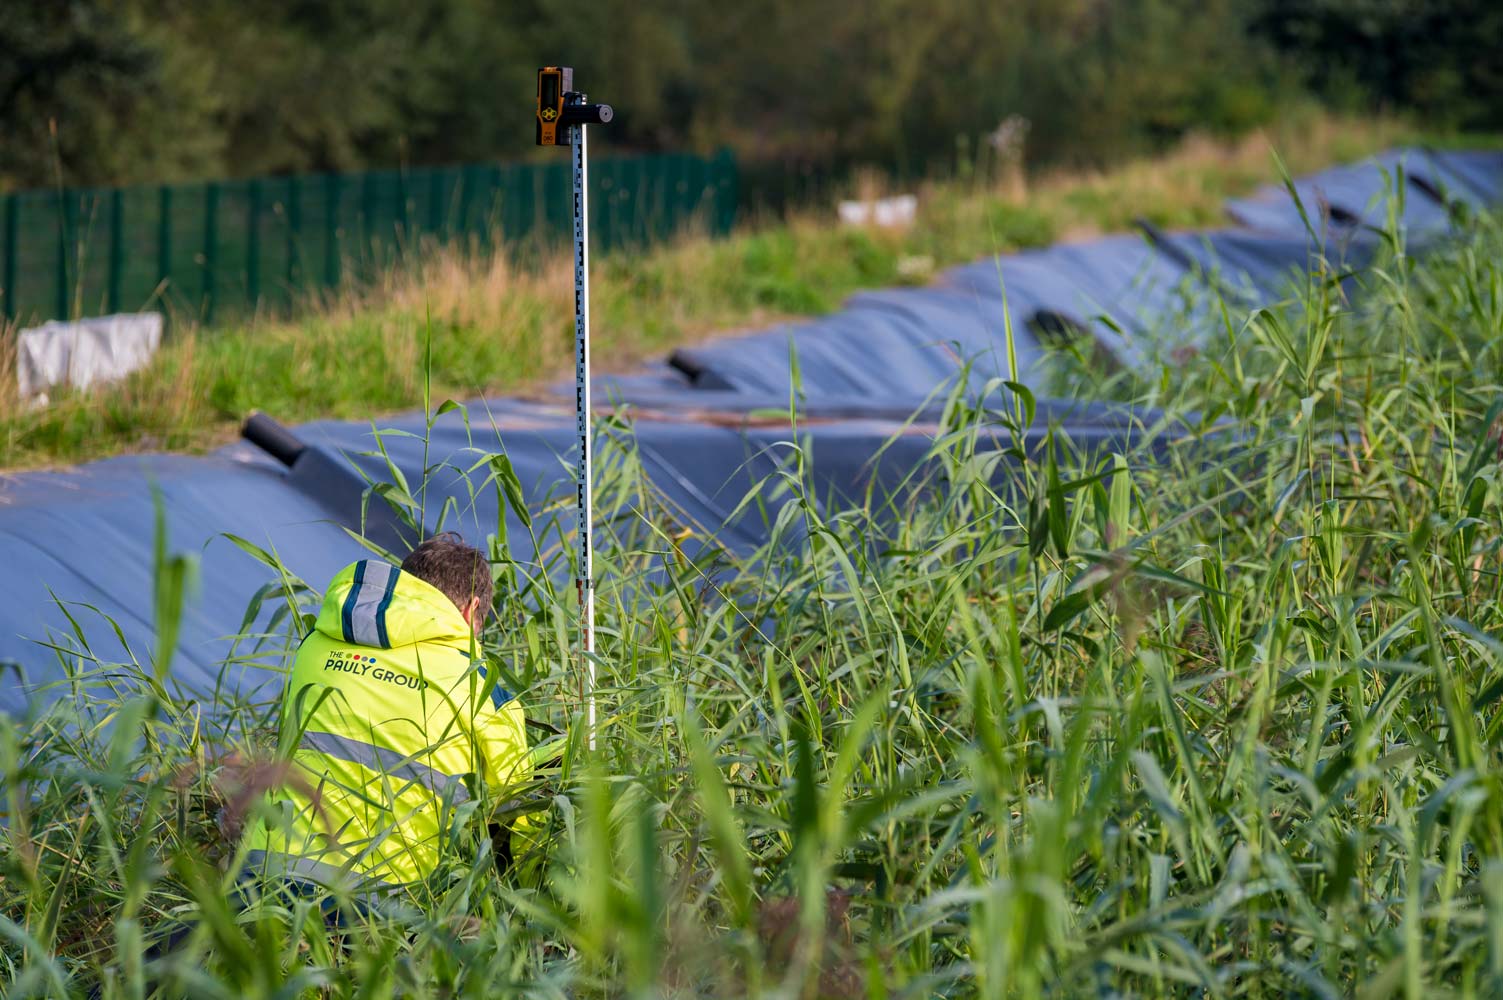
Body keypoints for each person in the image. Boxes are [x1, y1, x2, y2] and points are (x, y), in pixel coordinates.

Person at [241, 533, 529, 907]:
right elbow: (522, 813)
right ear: (472, 610)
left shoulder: (315, 644)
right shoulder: (482, 690)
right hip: (385, 904)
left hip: (262, 878)